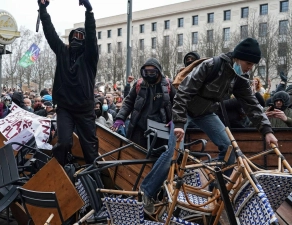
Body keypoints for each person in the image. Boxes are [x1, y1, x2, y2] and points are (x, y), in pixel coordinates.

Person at [140, 38, 278, 214]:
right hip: (186, 109)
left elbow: (251, 105)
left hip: (206, 113)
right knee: (175, 152)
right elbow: (183, 92)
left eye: (253, 64)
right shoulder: (212, 65)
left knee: (230, 150)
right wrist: (180, 123)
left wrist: (267, 130)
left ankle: (214, 191)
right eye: (248, 63)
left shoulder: (239, 78)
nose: (250, 67)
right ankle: (147, 191)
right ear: (237, 58)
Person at [38, 0, 99, 166]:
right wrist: (43, 10)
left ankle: (94, 179)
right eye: (73, 36)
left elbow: (92, 36)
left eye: (80, 37)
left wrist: (89, 10)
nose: (76, 40)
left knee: (90, 148)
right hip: (65, 107)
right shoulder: (62, 52)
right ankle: (61, 171)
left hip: (85, 109)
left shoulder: (89, 58)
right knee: (63, 142)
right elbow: (50, 33)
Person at [111, 58, 175, 149]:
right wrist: (120, 118)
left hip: (162, 128)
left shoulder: (169, 85)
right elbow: (128, 102)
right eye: (146, 72)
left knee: (159, 156)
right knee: (137, 154)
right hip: (140, 128)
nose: (149, 75)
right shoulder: (139, 84)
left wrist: (175, 120)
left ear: (158, 72)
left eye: (152, 72)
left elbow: (178, 104)